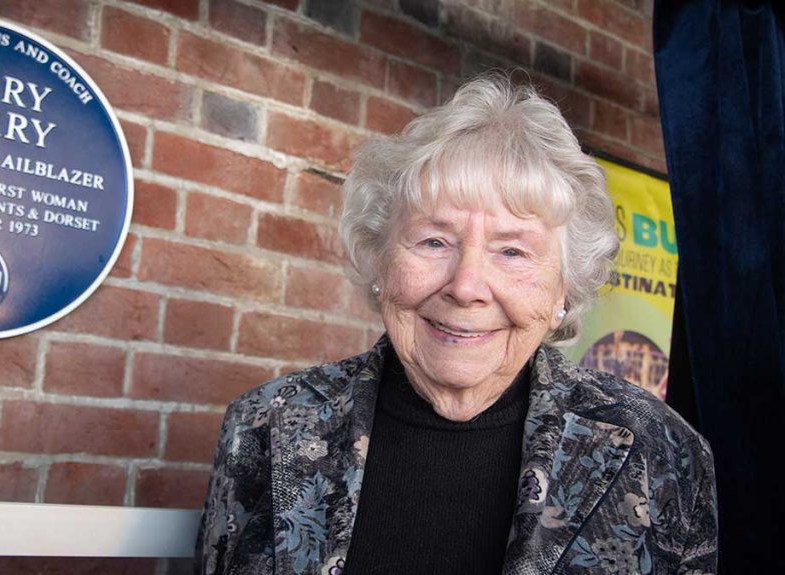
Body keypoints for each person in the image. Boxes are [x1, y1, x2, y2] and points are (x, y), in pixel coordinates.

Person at [195, 75, 717, 575]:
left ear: (564, 290)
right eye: (433, 242)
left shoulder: (661, 451)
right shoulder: (265, 425)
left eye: (512, 251)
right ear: (380, 261)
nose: (466, 286)